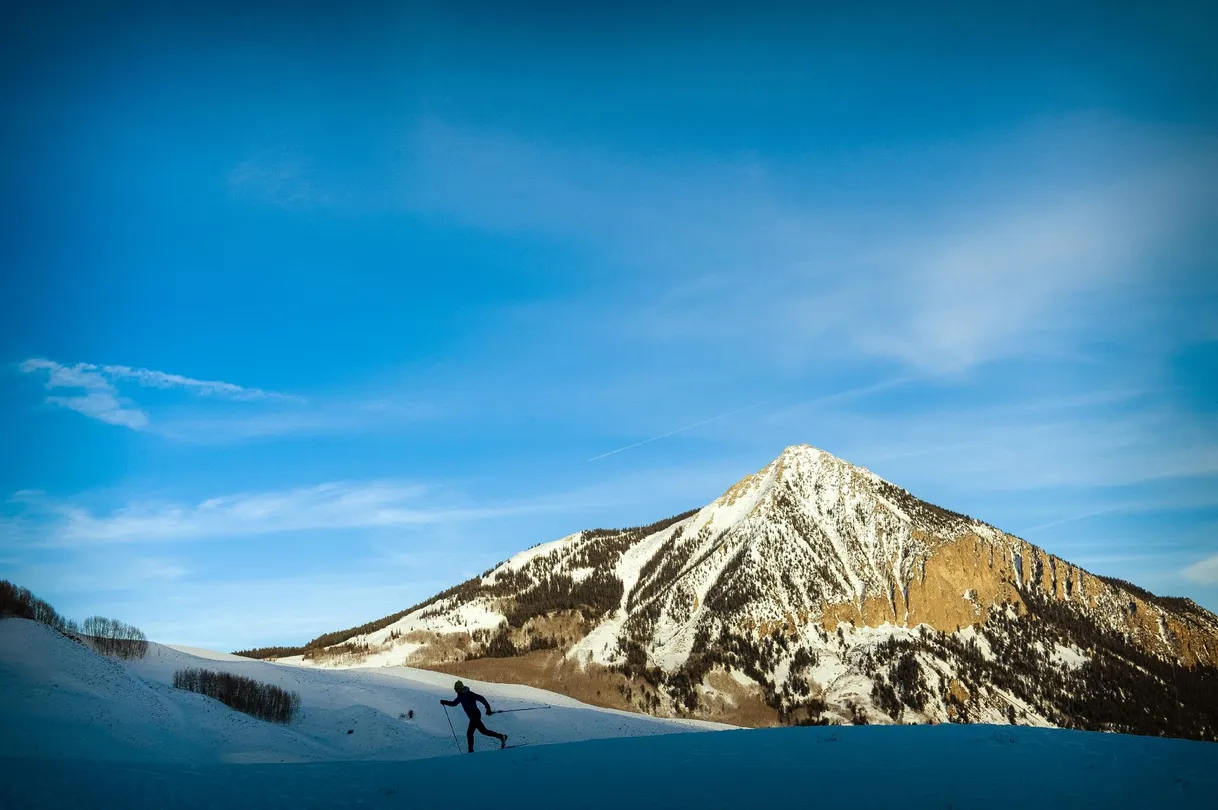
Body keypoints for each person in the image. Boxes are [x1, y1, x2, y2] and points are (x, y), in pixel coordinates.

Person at [441, 680, 507, 752]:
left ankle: (471, 751)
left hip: (475, 715)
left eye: (456, 689)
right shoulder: (462, 696)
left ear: (460, 688)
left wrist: (488, 709)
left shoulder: (468, 694)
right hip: (473, 716)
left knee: (471, 733)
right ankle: (501, 737)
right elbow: (454, 703)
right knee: (482, 731)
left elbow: (481, 698)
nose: (456, 691)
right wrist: (444, 702)